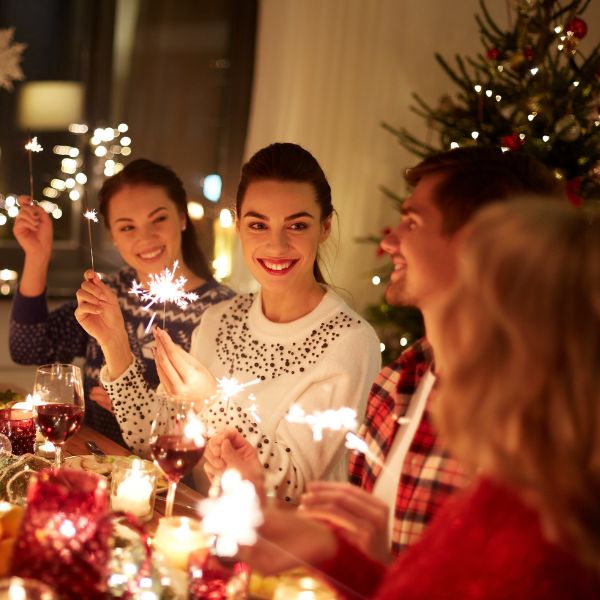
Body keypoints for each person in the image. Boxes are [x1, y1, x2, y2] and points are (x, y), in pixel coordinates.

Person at [212, 146, 564, 560]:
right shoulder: (400, 382)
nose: (390, 240)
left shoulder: (536, 417)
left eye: (412, 222)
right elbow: (366, 563)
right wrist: (258, 490)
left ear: (478, 245)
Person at [244, 200, 600, 599]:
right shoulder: (513, 481)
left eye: (463, 296)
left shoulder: (537, 534)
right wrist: (331, 551)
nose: (442, 326)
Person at [84, 143, 382, 500]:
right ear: (238, 224)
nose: (276, 244)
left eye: (297, 225)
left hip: (278, 549)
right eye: (258, 224)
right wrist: (114, 344)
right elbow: (155, 440)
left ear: (325, 227)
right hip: (200, 530)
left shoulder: (349, 341)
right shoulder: (220, 318)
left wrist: (209, 401)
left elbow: (292, 490)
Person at [10, 159, 234, 446]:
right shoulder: (108, 293)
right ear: (113, 236)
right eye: (127, 227)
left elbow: (221, 424)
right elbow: (28, 349)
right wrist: (37, 255)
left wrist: (135, 407)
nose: (146, 237)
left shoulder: (222, 312)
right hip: (92, 460)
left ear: (182, 218)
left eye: (159, 219)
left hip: (168, 479)